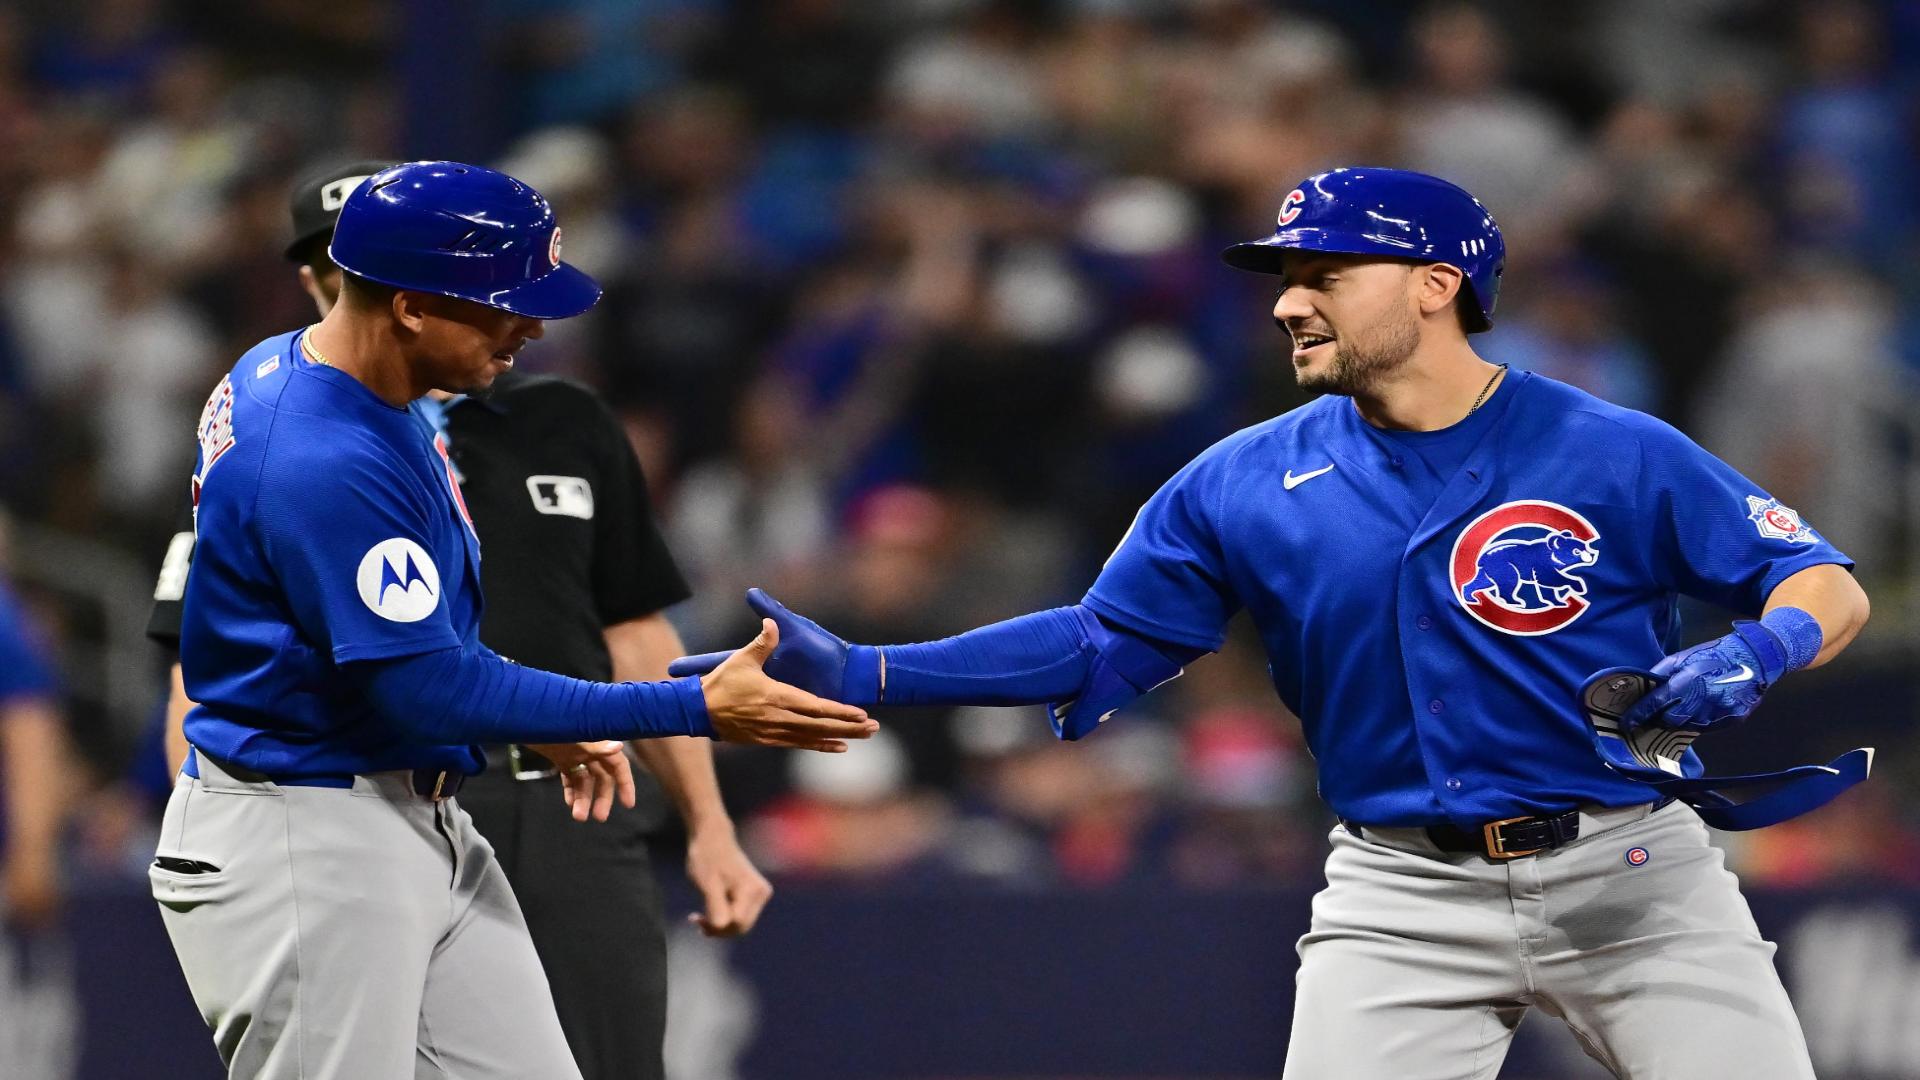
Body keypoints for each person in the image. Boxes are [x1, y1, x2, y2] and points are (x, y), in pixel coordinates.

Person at [674, 167, 1871, 1078]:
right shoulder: (1239, 480)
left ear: (1435, 286)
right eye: (1284, 279)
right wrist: (880, 668)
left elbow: (1825, 581)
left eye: (1323, 274)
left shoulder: (1607, 449)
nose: (1290, 301)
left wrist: (1761, 646)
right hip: (1403, 895)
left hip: (1633, 875)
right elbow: (1100, 643)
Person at [153, 160, 875, 1080]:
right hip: (307, 828)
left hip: (407, 810)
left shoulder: (337, 374)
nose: (533, 325)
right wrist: (691, 709)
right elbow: (430, 685)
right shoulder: (322, 452)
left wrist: (545, 719)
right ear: (412, 304)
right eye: (503, 300)